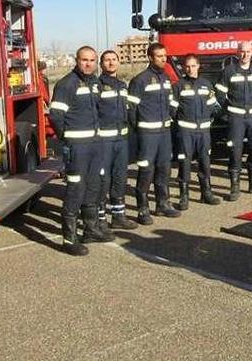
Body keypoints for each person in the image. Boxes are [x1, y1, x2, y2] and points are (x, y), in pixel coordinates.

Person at [47, 46, 114, 256]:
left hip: (96, 145)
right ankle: (69, 239)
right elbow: (55, 116)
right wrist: (68, 138)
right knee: (76, 190)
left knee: (94, 187)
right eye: (84, 60)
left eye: (92, 60)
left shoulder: (95, 83)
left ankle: (91, 229)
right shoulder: (66, 84)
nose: (88, 64)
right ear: (77, 60)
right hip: (78, 147)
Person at [128, 42, 180, 223]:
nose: (163, 59)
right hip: (148, 134)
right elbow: (131, 109)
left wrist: (171, 117)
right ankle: (143, 209)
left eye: (164, 56)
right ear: (150, 57)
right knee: (146, 170)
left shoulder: (165, 78)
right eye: (159, 56)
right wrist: (140, 128)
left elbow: (172, 102)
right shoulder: (139, 80)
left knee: (164, 168)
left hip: (164, 132)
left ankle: (162, 204)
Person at [215, 41, 252, 201]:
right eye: (242, 51)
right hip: (236, 117)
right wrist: (231, 109)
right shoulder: (228, 72)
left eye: (248, 51)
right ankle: (235, 187)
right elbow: (220, 94)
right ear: (237, 53)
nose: (245, 54)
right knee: (235, 151)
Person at [172, 54, 222, 209]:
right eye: (187, 66)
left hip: (203, 131)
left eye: (193, 66)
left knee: (205, 161)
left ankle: (206, 192)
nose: (190, 69)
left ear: (198, 66)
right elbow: (172, 109)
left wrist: (209, 119)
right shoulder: (178, 86)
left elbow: (214, 107)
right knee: (185, 162)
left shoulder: (206, 84)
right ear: (184, 68)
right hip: (186, 131)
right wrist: (181, 124)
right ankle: (184, 196)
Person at [97, 50, 138, 230]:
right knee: (103, 179)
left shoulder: (122, 85)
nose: (111, 63)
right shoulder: (97, 86)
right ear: (101, 64)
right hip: (104, 140)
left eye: (114, 60)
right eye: (107, 60)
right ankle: (100, 217)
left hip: (121, 139)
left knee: (120, 177)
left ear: (119, 62)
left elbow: (129, 111)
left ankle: (118, 215)